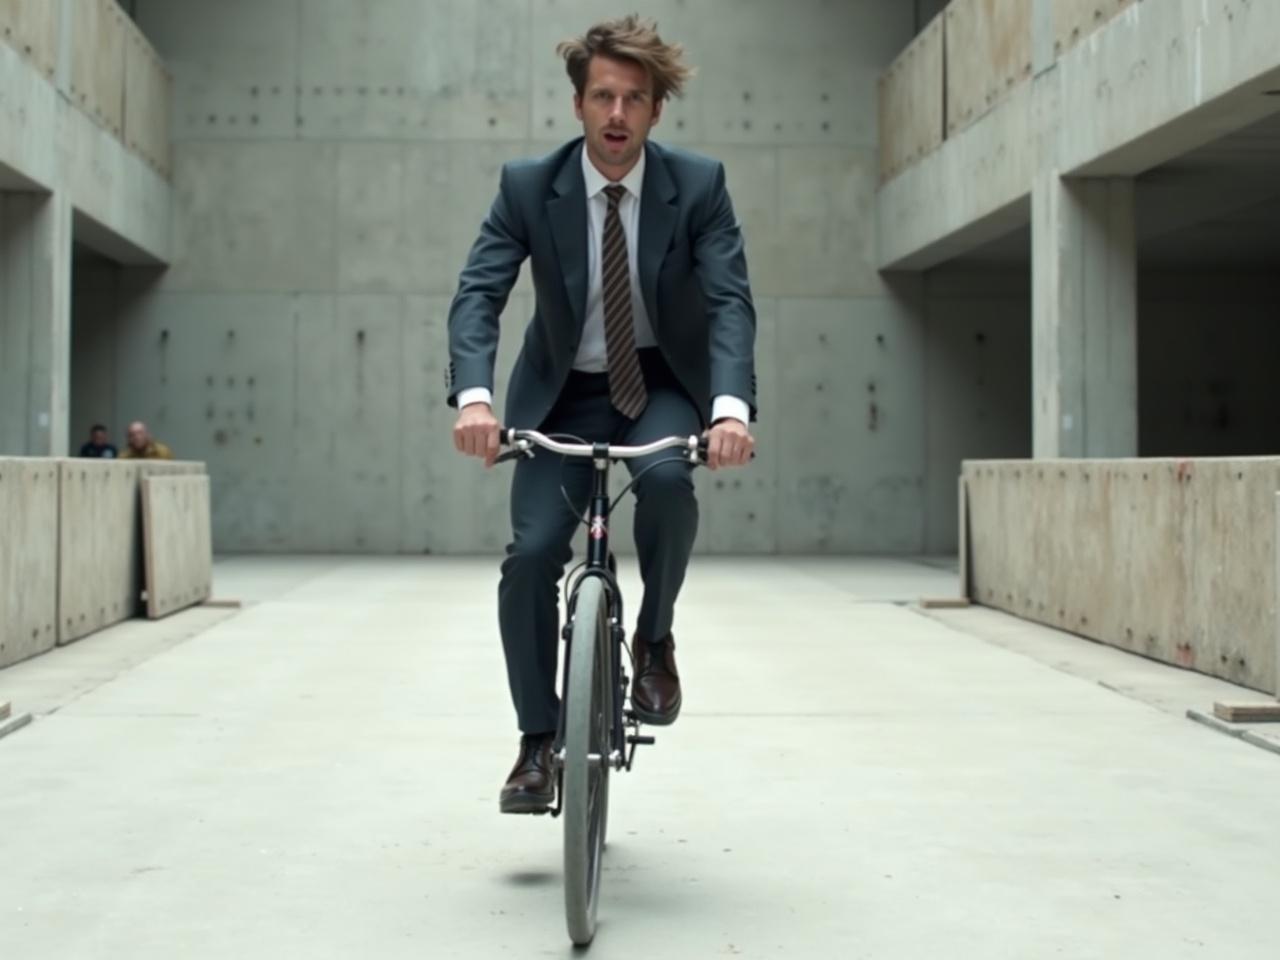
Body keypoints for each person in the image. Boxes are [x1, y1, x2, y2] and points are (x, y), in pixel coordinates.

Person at [446, 15, 758, 814]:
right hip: (562, 393)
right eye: (602, 97)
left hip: (657, 383)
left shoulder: (698, 186)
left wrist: (729, 411)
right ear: (579, 105)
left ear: (656, 111)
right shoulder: (527, 187)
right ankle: (536, 744)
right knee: (531, 557)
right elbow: (479, 294)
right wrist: (475, 398)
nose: (617, 114)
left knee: (665, 486)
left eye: (634, 99)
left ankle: (654, 638)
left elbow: (728, 304)